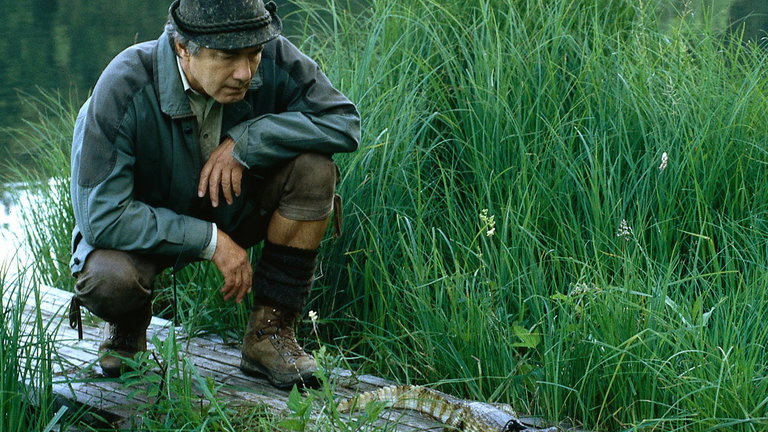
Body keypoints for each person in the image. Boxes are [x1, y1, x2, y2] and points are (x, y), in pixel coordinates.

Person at [67, 0, 360, 389]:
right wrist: (210, 241)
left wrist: (249, 141)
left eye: (253, 54)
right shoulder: (123, 83)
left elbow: (344, 123)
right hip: (148, 225)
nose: (245, 73)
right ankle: (127, 326)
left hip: (235, 206)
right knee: (110, 280)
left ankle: (269, 334)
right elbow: (102, 217)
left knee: (314, 169)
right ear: (182, 47)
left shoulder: (271, 53)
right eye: (227, 56)